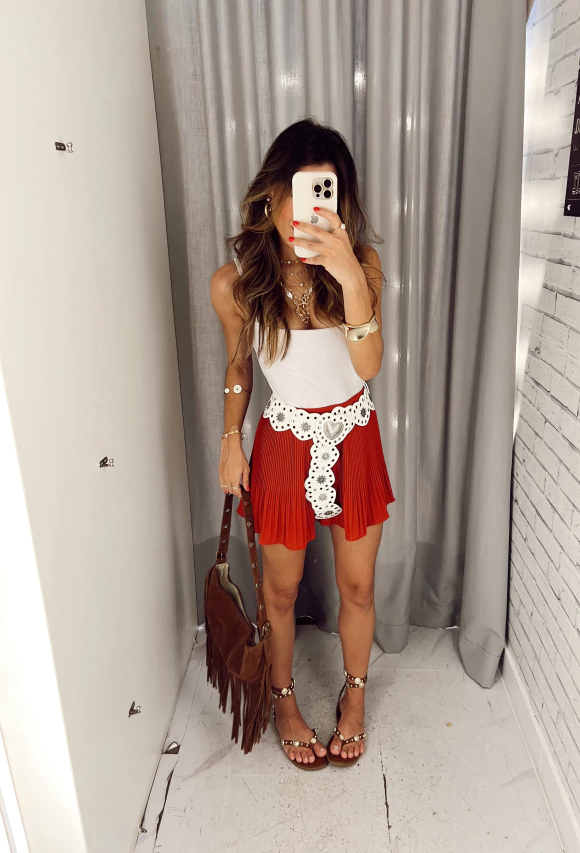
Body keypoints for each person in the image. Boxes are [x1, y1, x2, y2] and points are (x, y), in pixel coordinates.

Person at [209, 117, 395, 770]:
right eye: (300, 189)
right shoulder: (236, 282)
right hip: (284, 441)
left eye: (327, 191)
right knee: (280, 593)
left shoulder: (360, 265)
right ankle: (284, 699)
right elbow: (239, 366)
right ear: (273, 193)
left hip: (354, 436)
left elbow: (368, 365)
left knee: (359, 587)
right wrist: (230, 439)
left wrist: (348, 275)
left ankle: (355, 693)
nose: (311, 206)